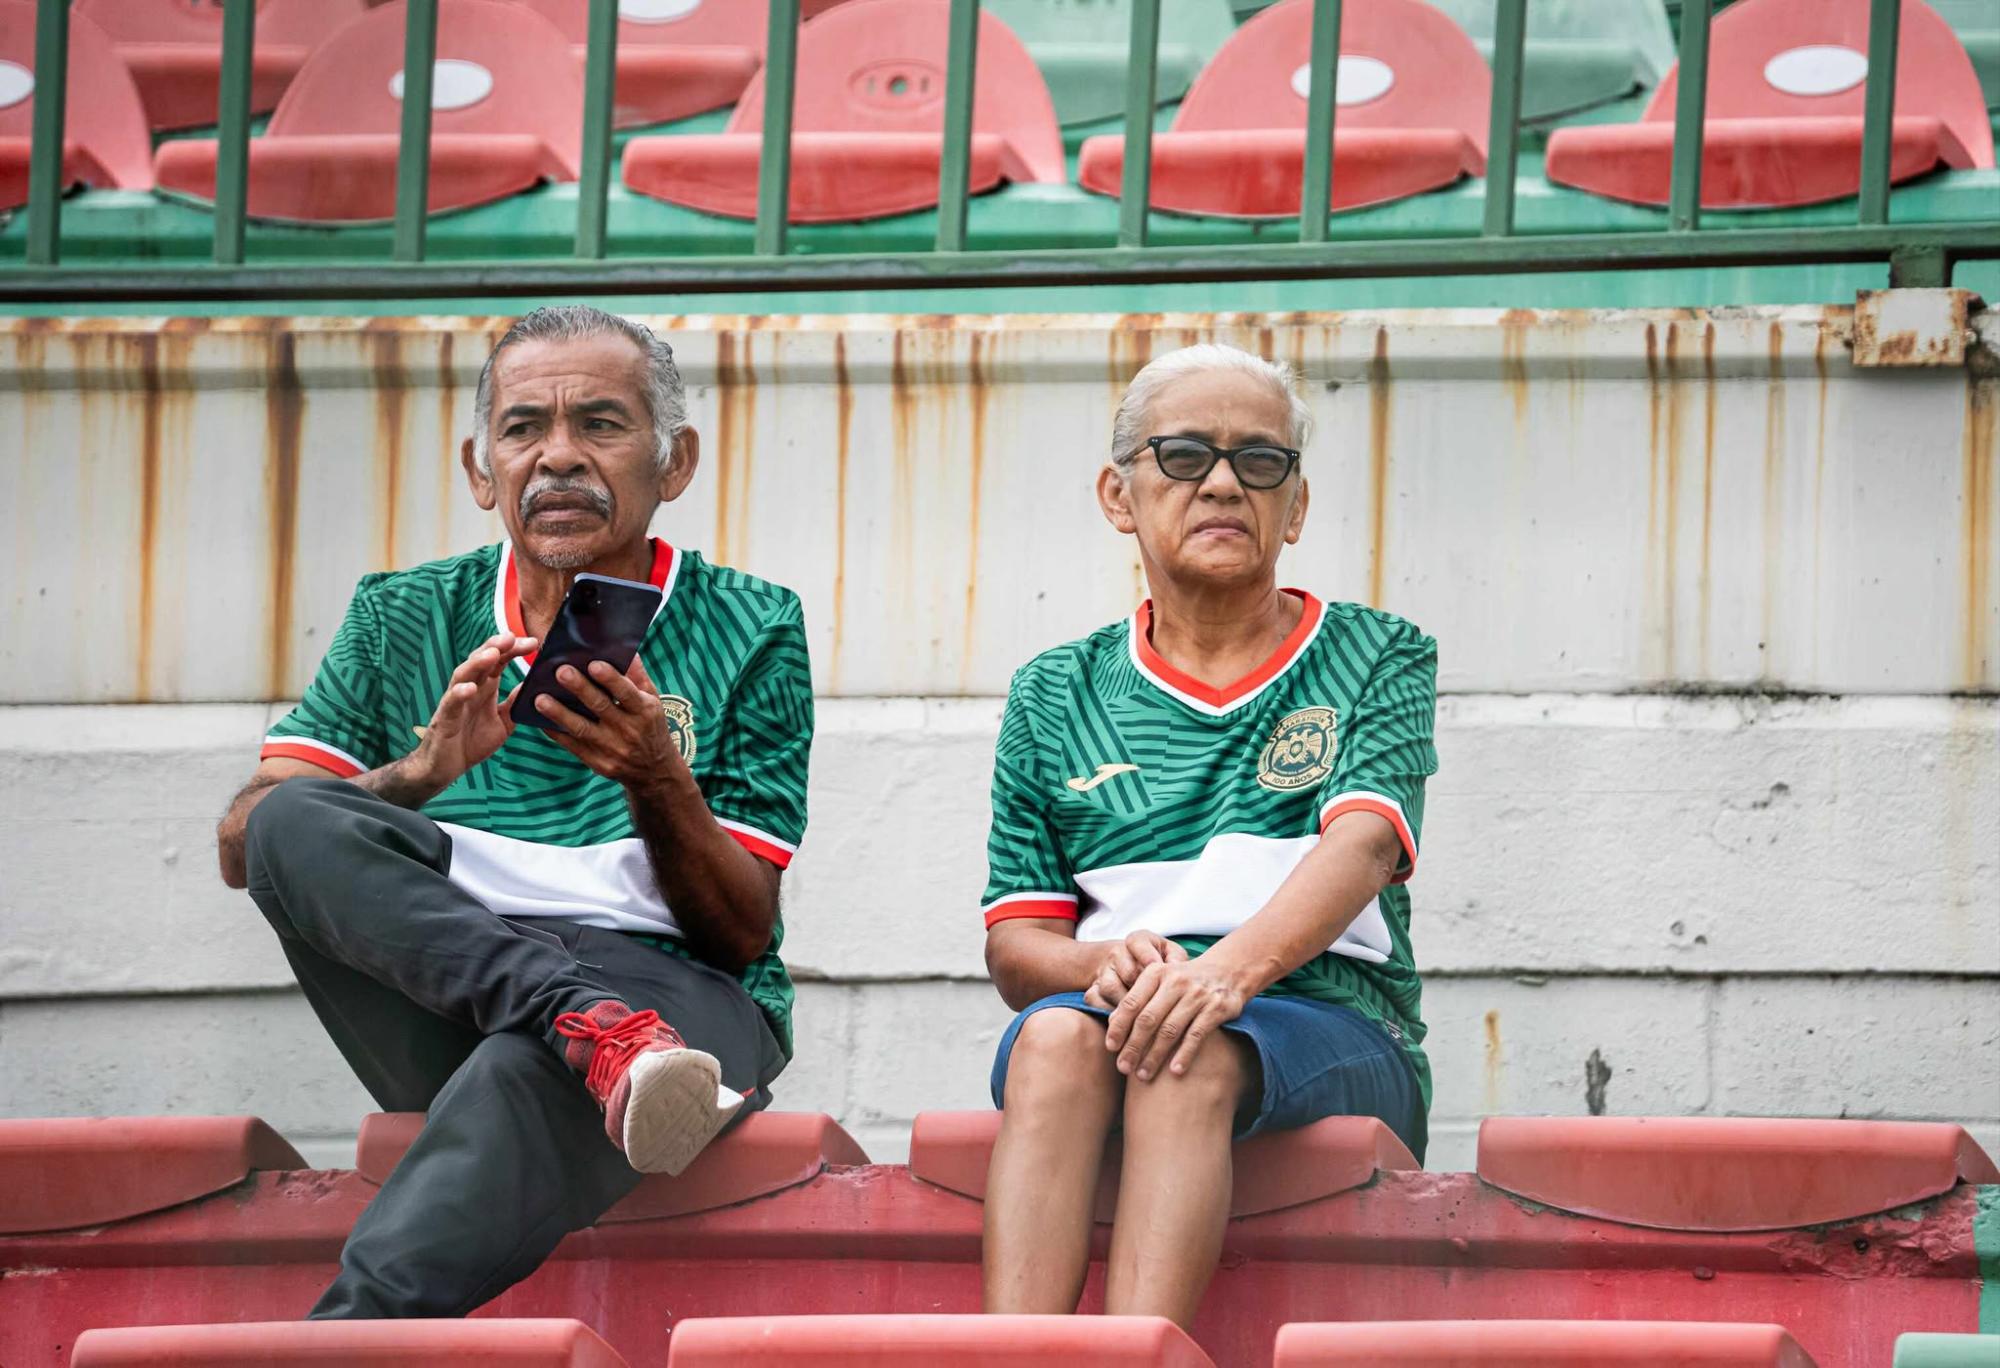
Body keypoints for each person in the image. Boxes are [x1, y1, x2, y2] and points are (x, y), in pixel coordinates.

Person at [214, 306, 812, 1319]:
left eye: (602, 424)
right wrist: (411, 777)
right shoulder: (403, 612)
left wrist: (655, 778)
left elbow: (739, 928)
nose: (559, 457)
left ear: (675, 463)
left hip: (680, 1002)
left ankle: (338, 1340)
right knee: (294, 818)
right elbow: (246, 848)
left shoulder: (751, 622)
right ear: (480, 468)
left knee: (514, 1076)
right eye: (524, 427)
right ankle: (580, 1026)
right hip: (460, 987)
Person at [979, 343, 1436, 1328]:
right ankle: (1015, 1355)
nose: (1223, 482)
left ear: (1295, 506)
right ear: (1119, 494)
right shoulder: (1054, 692)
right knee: (1053, 1040)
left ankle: (1133, 1359)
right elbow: (1017, 949)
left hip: (1334, 1022)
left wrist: (1218, 976)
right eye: (1183, 456)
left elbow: (1359, 846)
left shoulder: (1374, 652)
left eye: (1258, 460)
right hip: (1122, 1016)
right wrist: (1099, 964)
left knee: (1185, 1048)